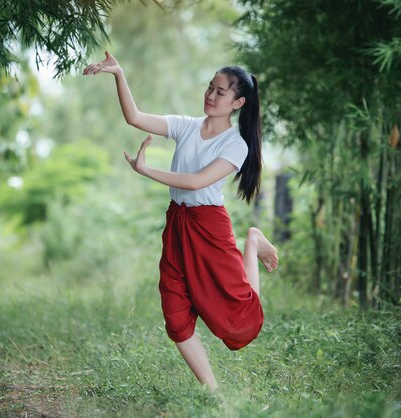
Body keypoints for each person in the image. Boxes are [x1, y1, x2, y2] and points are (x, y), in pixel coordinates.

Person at [83, 51, 279, 391]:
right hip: (177, 224)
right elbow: (135, 117)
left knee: (240, 324)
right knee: (175, 314)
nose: (211, 95)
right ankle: (211, 392)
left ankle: (252, 241)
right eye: (210, 87)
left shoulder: (236, 145)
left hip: (209, 227)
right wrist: (119, 73)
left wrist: (146, 170)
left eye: (221, 92)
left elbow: (196, 181)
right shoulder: (187, 126)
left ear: (238, 102)